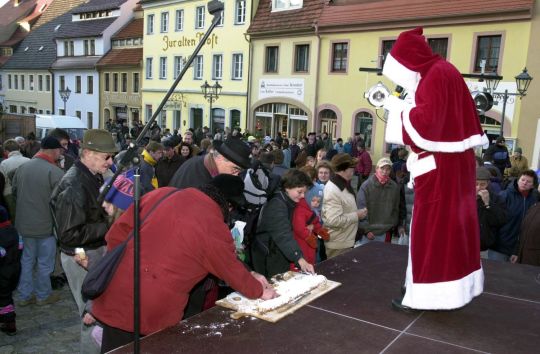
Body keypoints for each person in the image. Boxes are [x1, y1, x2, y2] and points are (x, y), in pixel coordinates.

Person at [92, 176, 277, 352]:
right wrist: (259, 290)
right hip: (154, 308)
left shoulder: (163, 193)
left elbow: (116, 234)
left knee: (114, 348)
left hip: (117, 291)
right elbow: (230, 269)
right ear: (227, 206)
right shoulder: (212, 224)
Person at [382, 27, 487, 310]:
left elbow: (426, 124)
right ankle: (446, 290)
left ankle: (424, 294)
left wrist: (396, 107)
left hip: (440, 170)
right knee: (452, 232)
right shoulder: (444, 71)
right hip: (452, 166)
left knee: (430, 233)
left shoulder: (434, 77)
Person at [50, 129, 118, 354]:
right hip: (80, 256)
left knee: (99, 311)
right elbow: (69, 235)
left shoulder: (91, 175)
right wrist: (108, 222)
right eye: (106, 157)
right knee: (92, 316)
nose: (110, 162)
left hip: (90, 251)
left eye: (111, 157)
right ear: (87, 153)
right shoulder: (74, 184)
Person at [12, 137, 65, 306]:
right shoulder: (55, 171)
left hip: (24, 224)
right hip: (45, 226)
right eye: (60, 150)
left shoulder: (22, 168)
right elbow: (62, 202)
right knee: (44, 262)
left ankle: (24, 295)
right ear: (54, 150)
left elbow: (14, 193)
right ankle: (43, 295)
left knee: (27, 260)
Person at [251, 169, 316, 277]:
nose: (303, 196)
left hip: (276, 251)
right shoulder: (276, 205)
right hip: (268, 254)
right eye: (299, 192)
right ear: (287, 187)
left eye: (304, 192)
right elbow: (283, 234)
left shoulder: (286, 200)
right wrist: (300, 259)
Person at [322, 153, 368, 258]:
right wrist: (357, 215)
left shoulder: (343, 184)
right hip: (338, 244)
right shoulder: (334, 189)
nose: (354, 169)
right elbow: (333, 220)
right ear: (343, 169)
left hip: (344, 240)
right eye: (351, 167)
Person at [489, 170, 539, 261]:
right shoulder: (505, 195)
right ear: (518, 180)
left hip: (518, 248)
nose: (524, 183)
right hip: (499, 247)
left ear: (533, 185)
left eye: (528, 182)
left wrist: (517, 250)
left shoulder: (534, 200)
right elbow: (494, 219)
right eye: (523, 180)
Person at [356, 157, 404, 246]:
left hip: (386, 231)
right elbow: (360, 208)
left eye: (388, 169)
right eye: (382, 168)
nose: (385, 171)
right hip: (369, 233)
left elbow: (396, 208)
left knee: (383, 258)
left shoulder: (394, 187)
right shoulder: (366, 186)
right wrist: (366, 230)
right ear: (377, 168)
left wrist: (392, 225)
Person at [169, 138, 251, 189]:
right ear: (220, 158)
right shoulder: (202, 182)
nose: (236, 174)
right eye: (235, 169)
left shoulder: (202, 163)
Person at [0, 206, 22, 335]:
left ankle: (9, 323)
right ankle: (9, 322)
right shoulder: (14, 231)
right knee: (7, 296)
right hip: (14, 270)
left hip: (2, 272)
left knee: (4, 299)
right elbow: (20, 248)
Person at [475, 167, 507, 255]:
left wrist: (488, 204)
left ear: (488, 184)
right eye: (476, 184)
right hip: (463, 244)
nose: (478, 188)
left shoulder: (496, 198)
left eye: (482, 184)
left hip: (483, 247)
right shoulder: (463, 197)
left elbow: (501, 220)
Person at [0, 139, 30, 221]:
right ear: (19, 149)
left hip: (9, 194)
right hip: (26, 192)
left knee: (14, 218)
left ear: (6, 151)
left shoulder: (4, 163)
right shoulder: (28, 161)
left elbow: (2, 181)